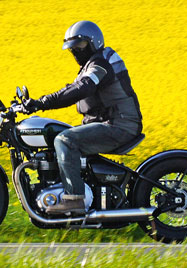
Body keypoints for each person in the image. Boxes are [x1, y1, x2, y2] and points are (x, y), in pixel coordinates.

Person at [23, 20, 143, 214]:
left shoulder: (101, 63)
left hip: (119, 125)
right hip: (108, 123)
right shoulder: (91, 64)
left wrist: (43, 103)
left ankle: (74, 199)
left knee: (65, 140)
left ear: (93, 42)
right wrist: (36, 102)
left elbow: (83, 87)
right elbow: (70, 89)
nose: (76, 51)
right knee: (61, 137)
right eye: (73, 48)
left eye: (80, 46)